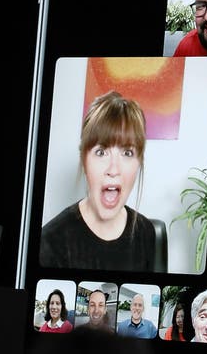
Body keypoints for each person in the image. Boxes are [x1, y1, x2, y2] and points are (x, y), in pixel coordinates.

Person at [40, 90, 156, 271]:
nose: (113, 170)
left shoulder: (147, 233)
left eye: (127, 153)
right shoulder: (50, 242)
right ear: (84, 160)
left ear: (139, 162)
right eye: (101, 152)